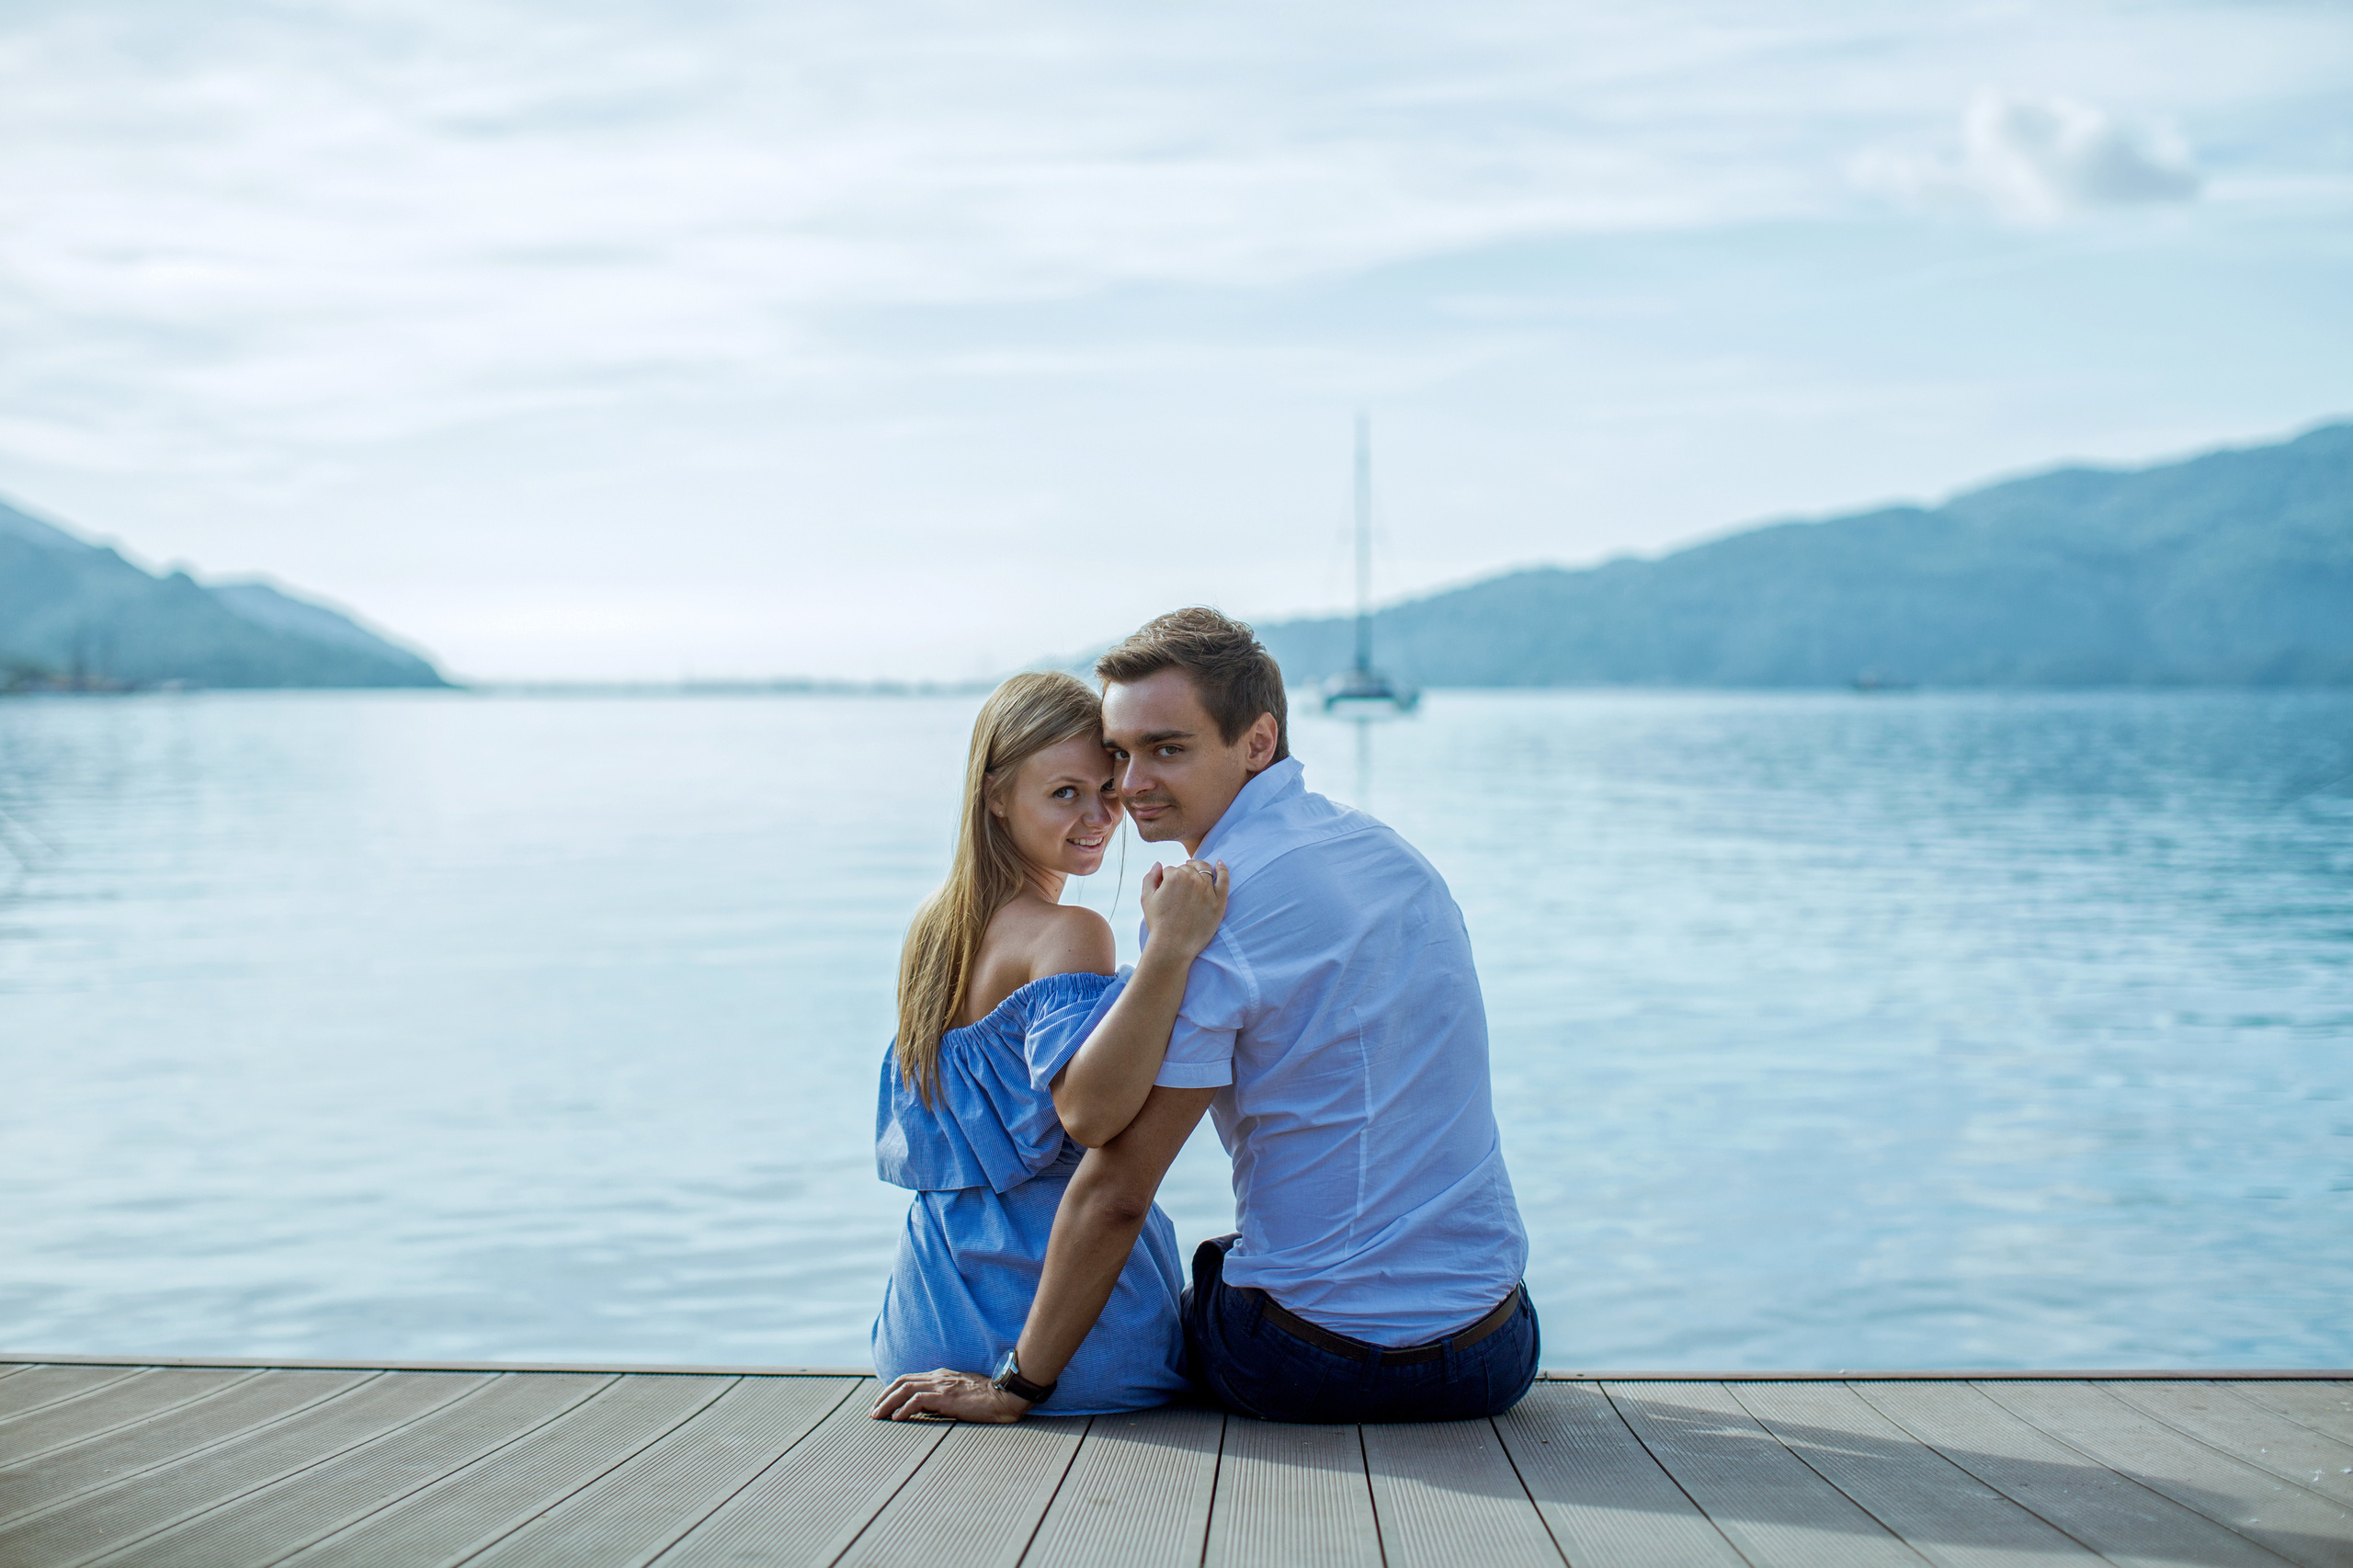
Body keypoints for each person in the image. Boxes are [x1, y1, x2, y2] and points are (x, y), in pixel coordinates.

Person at [876, 608, 1537, 1426]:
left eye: (1167, 748)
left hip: (1313, 1363)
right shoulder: (1393, 859)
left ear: (1257, 743)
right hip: (1496, 1349)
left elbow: (1113, 1180)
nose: (1127, 786)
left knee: (1216, 1276)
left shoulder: (1212, 913)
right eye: (1120, 753)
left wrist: (1018, 1385)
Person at [869, 669, 1231, 1415]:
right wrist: (1169, 953)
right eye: (1066, 793)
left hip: (922, 1331)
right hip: (1075, 1349)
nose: (1099, 816)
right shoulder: (1072, 933)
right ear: (995, 793)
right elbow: (1090, 1116)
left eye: (1109, 789)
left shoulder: (932, 934)